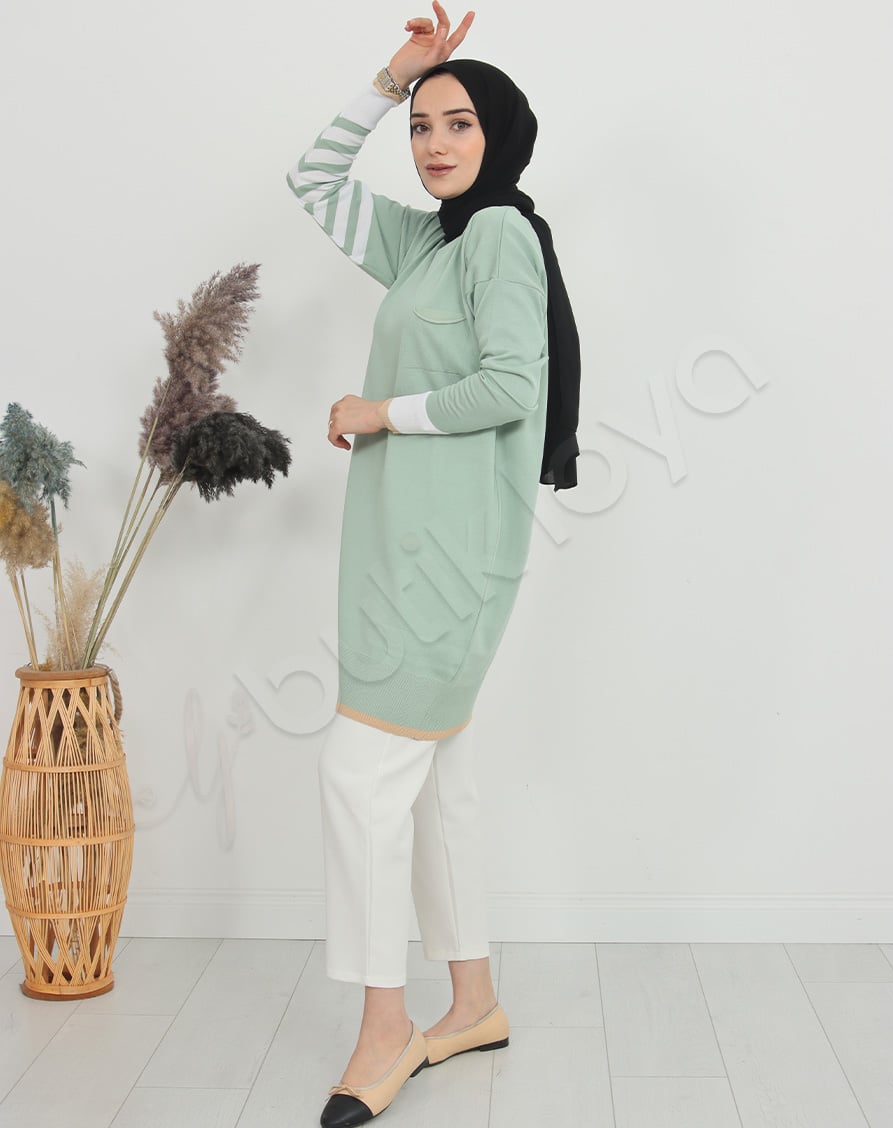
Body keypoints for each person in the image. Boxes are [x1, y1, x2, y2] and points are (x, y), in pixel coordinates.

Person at [287, 5, 580, 1125]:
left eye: (458, 122)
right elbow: (314, 182)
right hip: (398, 547)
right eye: (422, 126)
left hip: (452, 562)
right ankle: (475, 1002)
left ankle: (384, 1029)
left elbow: (511, 383)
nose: (435, 143)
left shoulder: (498, 234)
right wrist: (392, 76)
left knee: (359, 777)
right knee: (435, 780)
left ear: (500, 135)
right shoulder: (431, 242)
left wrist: (380, 410)